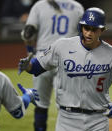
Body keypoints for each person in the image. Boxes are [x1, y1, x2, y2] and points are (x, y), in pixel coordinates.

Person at [18, 7, 112, 131]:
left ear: (102, 30)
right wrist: (28, 66)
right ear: (81, 27)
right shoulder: (62, 46)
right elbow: (38, 66)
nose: (89, 33)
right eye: (86, 28)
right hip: (67, 120)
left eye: (94, 30)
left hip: (98, 121)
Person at [20, 0, 84, 130]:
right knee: (67, 106)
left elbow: (28, 33)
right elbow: (84, 35)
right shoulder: (77, 7)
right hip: (67, 59)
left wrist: (31, 52)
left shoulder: (40, 5)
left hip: (42, 57)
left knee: (40, 105)